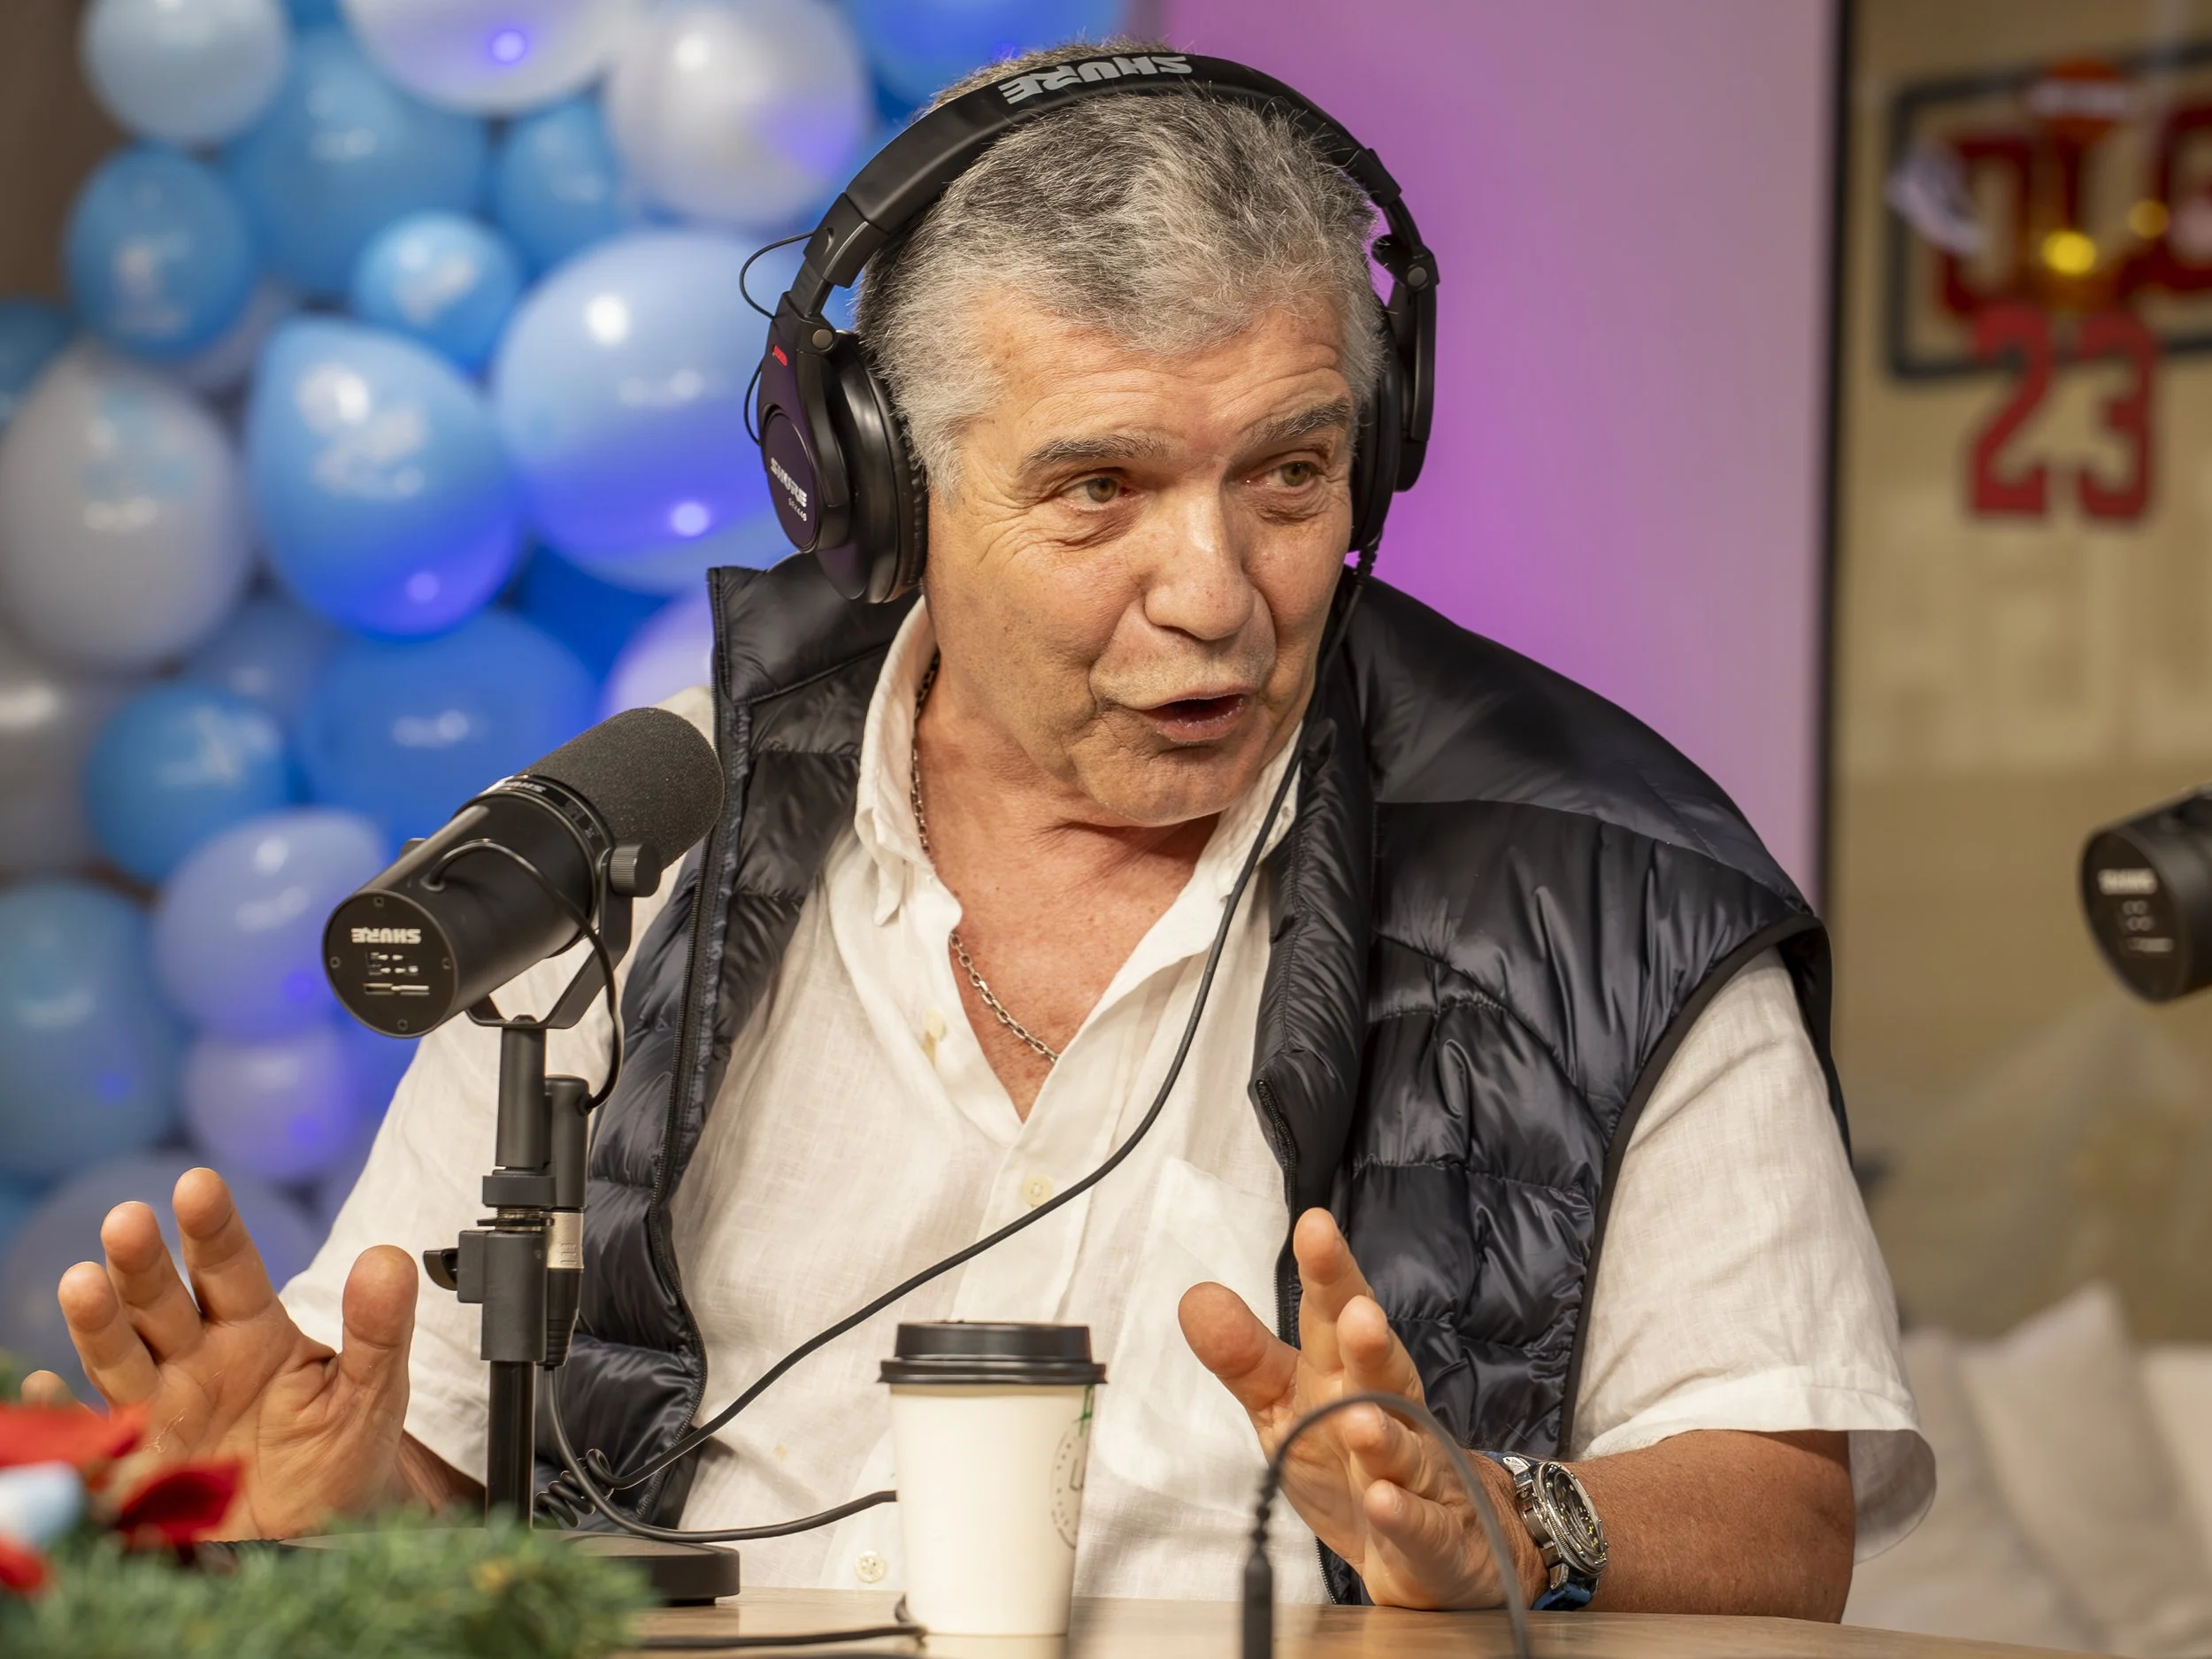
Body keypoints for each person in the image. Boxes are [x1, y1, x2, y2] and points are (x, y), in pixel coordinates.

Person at [29, 44, 1929, 1616]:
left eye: (1285, 470)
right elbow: (440, 1500)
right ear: (880, 482)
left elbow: (1781, 1514)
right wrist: (330, 1499)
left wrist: (1516, 1530)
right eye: (1098, 486)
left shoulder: (1605, 870)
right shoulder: (634, 841)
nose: (1219, 593)